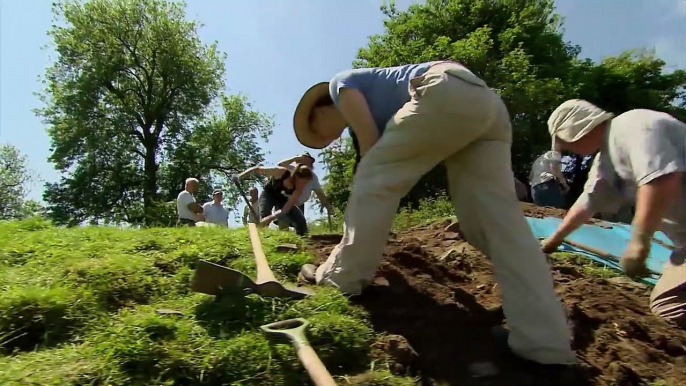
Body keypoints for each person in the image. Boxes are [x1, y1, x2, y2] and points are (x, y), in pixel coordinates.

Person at [292, 61, 577, 369]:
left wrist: (366, 175)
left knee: (373, 179)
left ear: (318, 111)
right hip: (486, 105)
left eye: (318, 133)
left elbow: (371, 147)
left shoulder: (340, 85)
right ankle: (544, 344)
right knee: (495, 226)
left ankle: (340, 278)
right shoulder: (378, 94)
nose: (328, 140)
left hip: (444, 88)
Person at [541, 99, 686, 329]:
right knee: (667, 306)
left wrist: (639, 243)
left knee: (667, 308)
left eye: (565, 141)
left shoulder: (637, 125)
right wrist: (553, 240)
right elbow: (588, 202)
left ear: (578, 130)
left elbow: (660, 180)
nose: (568, 148)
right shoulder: (606, 158)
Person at [235, 164, 314, 236]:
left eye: (306, 182)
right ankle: (262, 236)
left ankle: (303, 238)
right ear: (296, 176)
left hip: (283, 200)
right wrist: (240, 176)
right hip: (269, 194)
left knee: (300, 220)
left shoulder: (299, 189)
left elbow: (285, 209)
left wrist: (271, 217)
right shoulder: (280, 172)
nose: (303, 185)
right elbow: (257, 169)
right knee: (264, 214)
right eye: (302, 181)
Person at [277, 151, 335, 218]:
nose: (306, 163)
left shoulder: (313, 177)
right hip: (285, 200)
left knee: (299, 225)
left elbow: (320, 194)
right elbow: (280, 165)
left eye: (308, 161)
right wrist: (295, 158)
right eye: (303, 159)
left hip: (299, 203)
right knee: (283, 220)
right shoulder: (291, 169)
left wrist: (329, 208)